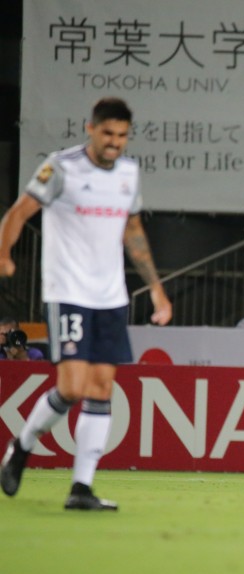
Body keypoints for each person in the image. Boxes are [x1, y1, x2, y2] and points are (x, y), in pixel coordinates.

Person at [0, 97, 172, 511]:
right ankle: (22, 445)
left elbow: (133, 231)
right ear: (91, 129)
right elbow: (19, 213)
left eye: (122, 135)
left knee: (101, 387)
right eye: (108, 133)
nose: (115, 142)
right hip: (68, 292)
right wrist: (4, 253)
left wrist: (156, 288)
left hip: (110, 297)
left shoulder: (128, 173)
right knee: (72, 387)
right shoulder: (61, 167)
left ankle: (81, 487)